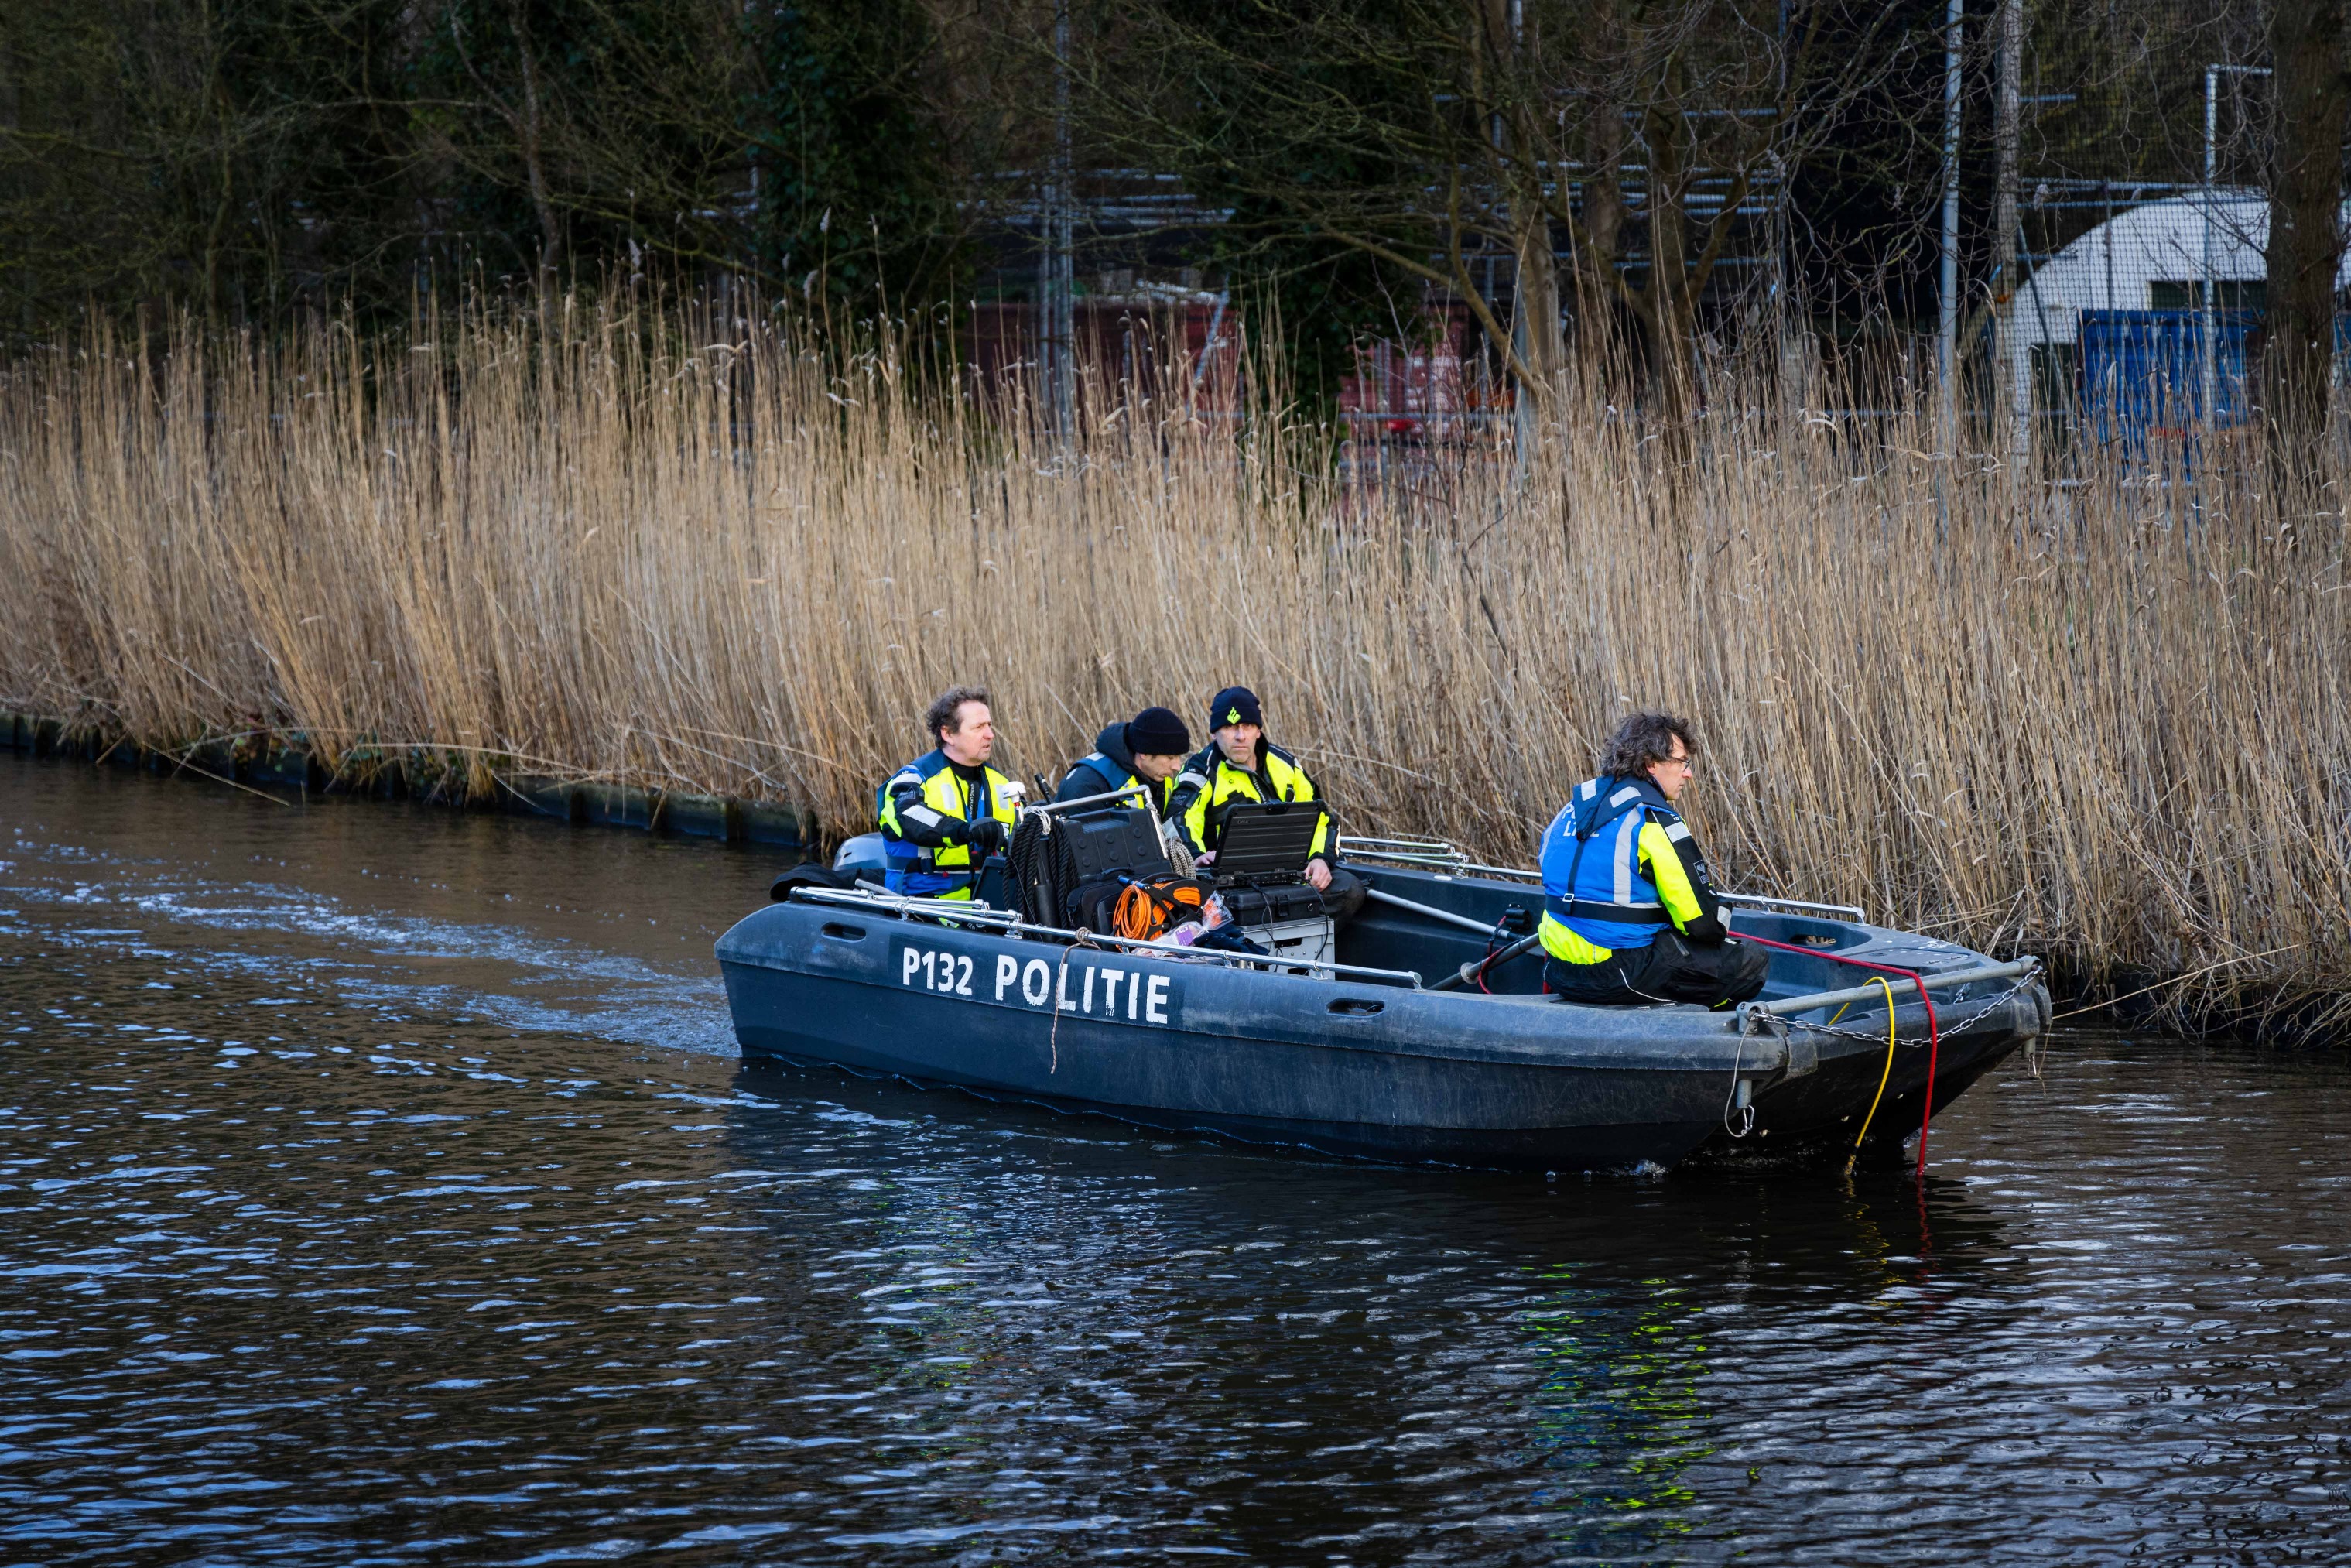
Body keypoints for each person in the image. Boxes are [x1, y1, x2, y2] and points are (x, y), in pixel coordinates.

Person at [1537, 710, 1769, 1008]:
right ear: (1651, 763)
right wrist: (1721, 917)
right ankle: (1701, 1035)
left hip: (1559, 969)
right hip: (1620, 974)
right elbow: (1702, 923)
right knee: (1749, 961)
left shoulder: (1569, 812)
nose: (1688, 773)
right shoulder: (1652, 821)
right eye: (1682, 762)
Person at [1169, 686, 1336, 893]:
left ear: (1258, 731)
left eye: (1247, 726)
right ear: (1214, 733)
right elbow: (1179, 821)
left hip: (1292, 874)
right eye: (1231, 727)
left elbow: (1322, 818)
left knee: (1350, 890)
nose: (1240, 736)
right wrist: (1195, 857)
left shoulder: (1286, 764)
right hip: (1229, 884)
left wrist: (1320, 859)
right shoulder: (1199, 770)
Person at [877, 686, 1018, 900]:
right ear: (948, 734)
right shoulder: (912, 778)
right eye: (979, 727)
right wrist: (964, 831)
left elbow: (1025, 832)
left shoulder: (1002, 783)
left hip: (990, 905)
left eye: (989, 725)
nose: (990, 734)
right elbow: (908, 816)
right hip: (923, 904)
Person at [1056, 706, 1192, 819]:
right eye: (1170, 757)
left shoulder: (1159, 774)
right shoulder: (1087, 787)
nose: (1177, 767)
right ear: (1144, 752)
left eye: (1179, 757)